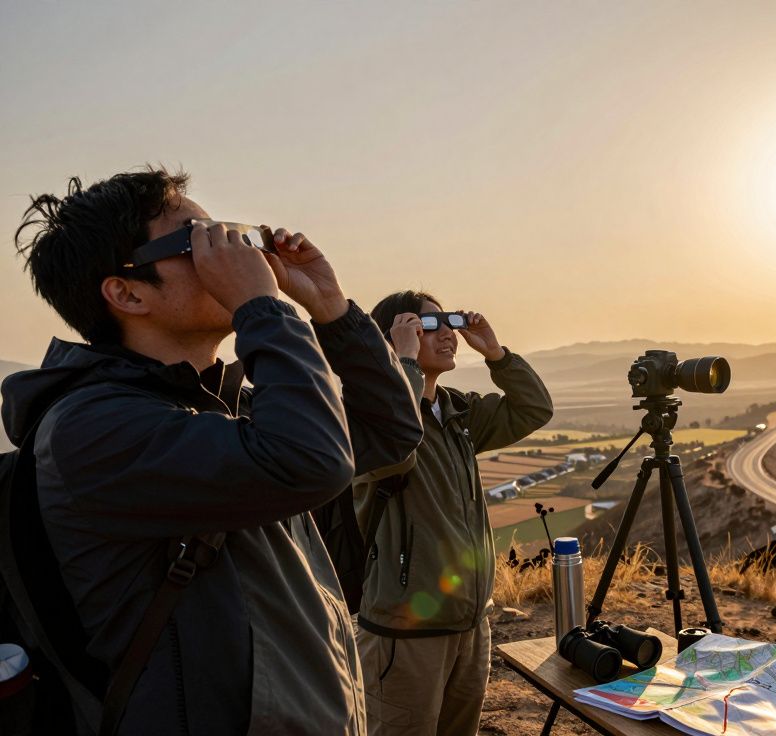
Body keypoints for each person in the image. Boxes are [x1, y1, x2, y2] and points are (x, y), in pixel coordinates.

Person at [3, 168, 424, 734]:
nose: (234, 249)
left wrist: (332, 311)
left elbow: (392, 429)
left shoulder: (221, 408)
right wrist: (261, 305)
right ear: (126, 292)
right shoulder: (92, 431)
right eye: (199, 238)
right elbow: (312, 461)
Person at [354, 291, 553, 736]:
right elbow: (396, 444)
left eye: (450, 322)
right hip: (404, 635)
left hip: (470, 623)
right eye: (427, 325)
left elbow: (534, 408)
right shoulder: (371, 418)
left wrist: (497, 355)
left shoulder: (458, 412)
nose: (447, 334)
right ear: (397, 338)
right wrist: (399, 365)